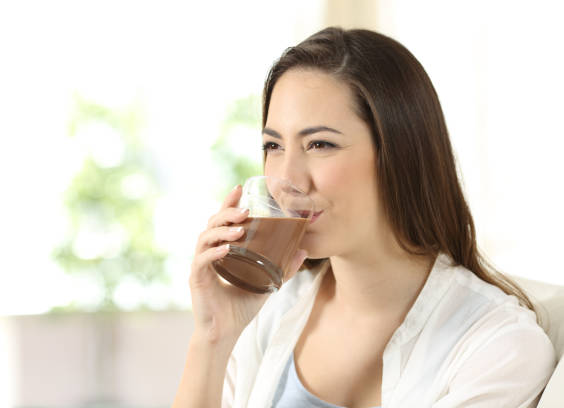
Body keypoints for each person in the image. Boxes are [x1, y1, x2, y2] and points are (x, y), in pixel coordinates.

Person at [172, 27, 556, 408]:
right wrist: (213, 336)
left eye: (320, 144)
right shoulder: (270, 310)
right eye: (273, 146)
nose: (286, 180)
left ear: (400, 155)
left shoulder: (498, 347)